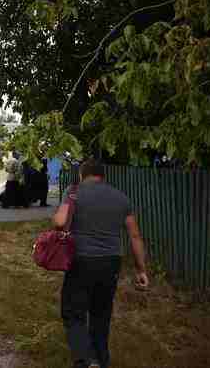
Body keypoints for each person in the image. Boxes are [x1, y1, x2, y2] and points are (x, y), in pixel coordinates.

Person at [53, 158, 149, 368]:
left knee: (74, 313)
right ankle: (100, 360)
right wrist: (141, 270)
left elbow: (60, 222)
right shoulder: (120, 197)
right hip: (111, 263)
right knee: (101, 313)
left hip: (81, 261)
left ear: (82, 174)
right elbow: (135, 235)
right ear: (103, 176)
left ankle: (83, 361)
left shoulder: (74, 191)